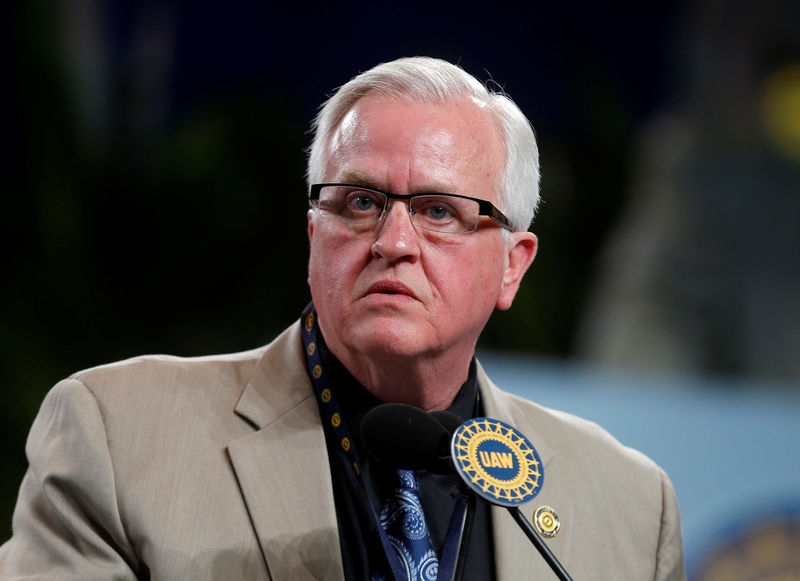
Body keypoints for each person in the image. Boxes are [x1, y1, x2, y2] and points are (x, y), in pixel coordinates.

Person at [0, 57, 686, 580]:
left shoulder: (627, 504)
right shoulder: (120, 436)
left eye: (438, 211)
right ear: (313, 235)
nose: (392, 241)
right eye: (359, 202)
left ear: (513, 264)